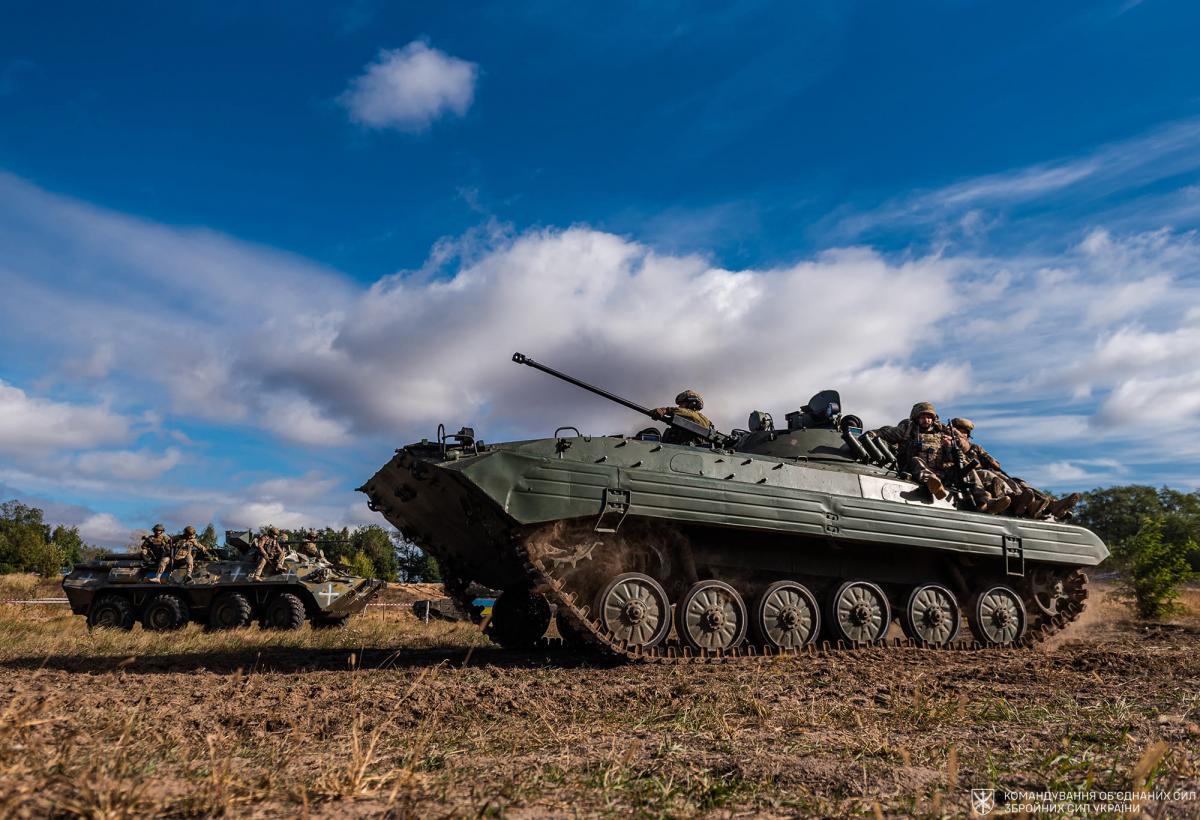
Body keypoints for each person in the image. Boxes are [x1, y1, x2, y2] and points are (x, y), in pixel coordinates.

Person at [947, 418, 1080, 520]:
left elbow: (996, 464)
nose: (963, 435)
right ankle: (1020, 501)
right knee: (991, 476)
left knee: (1018, 481)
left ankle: (1051, 504)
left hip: (991, 474)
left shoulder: (975, 448)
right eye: (960, 431)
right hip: (973, 476)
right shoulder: (951, 443)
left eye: (965, 432)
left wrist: (987, 459)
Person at [868, 402, 955, 499]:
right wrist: (873, 434)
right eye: (922, 417)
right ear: (916, 418)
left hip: (939, 472)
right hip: (913, 469)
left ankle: (974, 496)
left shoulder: (942, 433)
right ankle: (934, 485)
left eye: (929, 417)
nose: (926, 420)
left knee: (964, 469)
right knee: (915, 461)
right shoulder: (908, 430)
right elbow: (888, 434)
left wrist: (949, 447)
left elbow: (953, 457)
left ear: (933, 419)